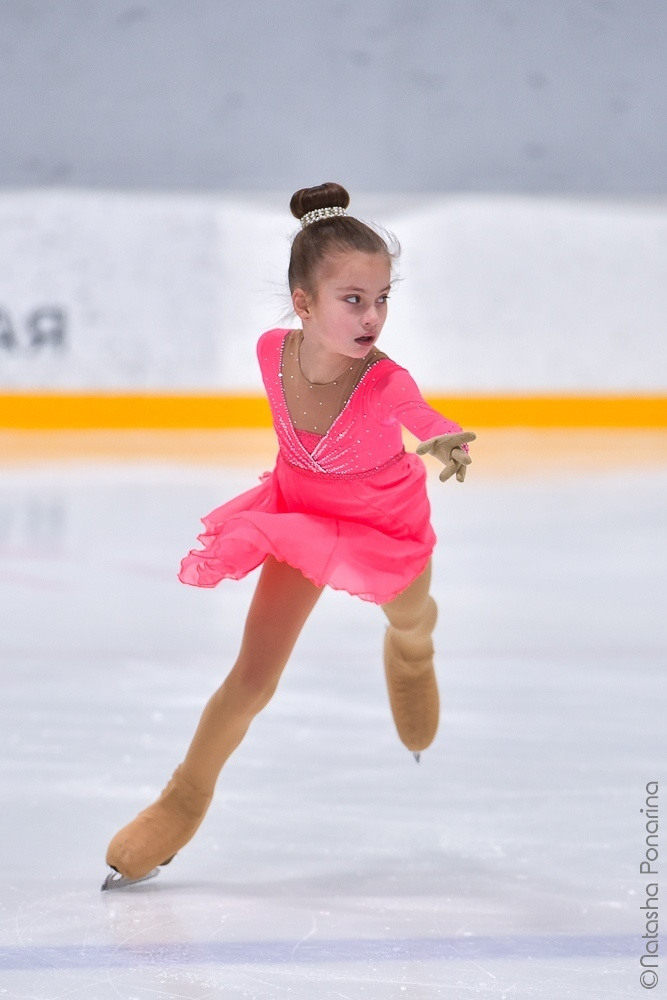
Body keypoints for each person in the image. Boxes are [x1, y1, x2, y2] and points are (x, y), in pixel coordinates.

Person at [102, 182, 476, 889]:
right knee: (251, 675)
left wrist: (445, 440)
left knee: (411, 617)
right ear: (303, 303)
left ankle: (411, 653)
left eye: (382, 297)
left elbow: (422, 415)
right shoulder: (269, 350)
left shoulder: (385, 379)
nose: (372, 315)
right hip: (300, 520)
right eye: (353, 298)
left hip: (382, 524)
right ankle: (181, 800)